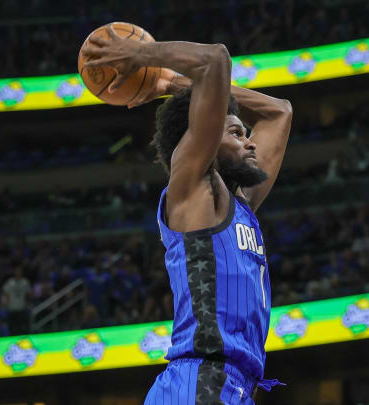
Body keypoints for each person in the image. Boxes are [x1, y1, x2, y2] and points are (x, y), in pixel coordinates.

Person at [83, 25, 293, 404]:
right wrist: (147, 59)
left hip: (232, 385)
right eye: (234, 132)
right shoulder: (196, 187)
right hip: (199, 380)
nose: (248, 141)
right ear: (206, 141)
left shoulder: (240, 203)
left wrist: (174, 85)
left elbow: (279, 112)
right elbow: (216, 60)